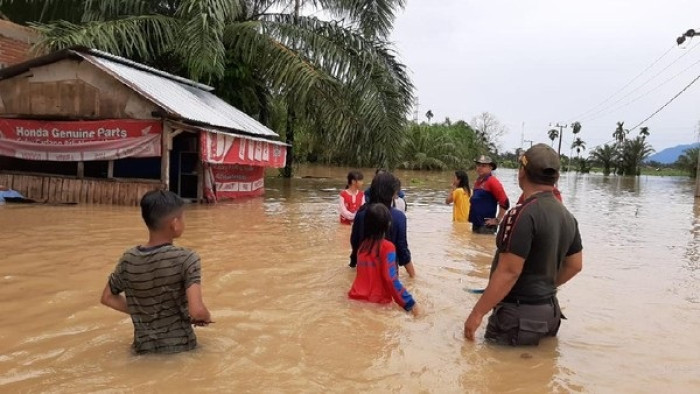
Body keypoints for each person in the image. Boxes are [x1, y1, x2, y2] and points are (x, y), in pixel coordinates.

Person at [464, 144, 583, 346]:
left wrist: (477, 314)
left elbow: (509, 271)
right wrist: (543, 287)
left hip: (516, 317)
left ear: (521, 173)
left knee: (495, 375)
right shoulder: (568, 217)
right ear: (556, 178)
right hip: (551, 313)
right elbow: (575, 265)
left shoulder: (521, 215)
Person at [100, 190, 212, 354]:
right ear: (174, 224)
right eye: (183, 217)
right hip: (181, 350)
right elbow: (197, 311)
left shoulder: (128, 258)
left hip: (141, 351)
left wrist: (144, 311)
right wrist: (206, 318)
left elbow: (107, 298)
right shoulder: (187, 258)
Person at [349, 203, 418, 315]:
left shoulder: (362, 247)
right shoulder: (388, 247)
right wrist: (410, 303)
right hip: (378, 305)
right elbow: (390, 279)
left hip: (354, 299)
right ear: (388, 224)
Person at [351, 172, 416, 277]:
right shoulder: (399, 217)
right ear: (392, 192)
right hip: (389, 275)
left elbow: (355, 242)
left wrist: (353, 263)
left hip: (364, 273)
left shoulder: (361, 213)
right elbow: (402, 250)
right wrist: (413, 277)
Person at [469, 155, 510, 234]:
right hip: (476, 223)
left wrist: (498, 220)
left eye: (483, 166)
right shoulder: (478, 181)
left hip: (486, 226)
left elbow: (505, 202)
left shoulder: (492, 181)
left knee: (484, 246)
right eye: (478, 165)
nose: (480, 168)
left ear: (490, 168)